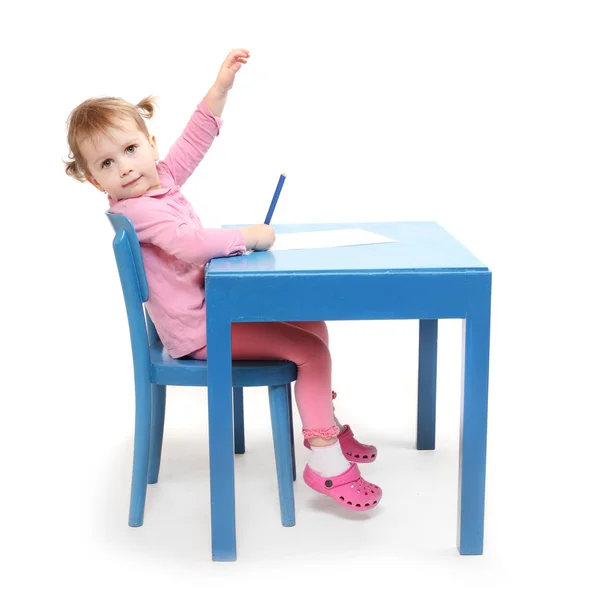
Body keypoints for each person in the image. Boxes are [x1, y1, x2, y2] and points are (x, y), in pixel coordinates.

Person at [63, 48, 382, 511]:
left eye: (130, 150)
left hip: (212, 316)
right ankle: (325, 460)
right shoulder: (139, 209)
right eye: (107, 164)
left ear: (151, 145)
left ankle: (324, 424)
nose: (125, 167)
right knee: (310, 351)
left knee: (313, 325)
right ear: (95, 180)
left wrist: (220, 89)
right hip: (199, 334)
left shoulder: (160, 182)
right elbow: (189, 243)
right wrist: (246, 237)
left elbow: (194, 142)